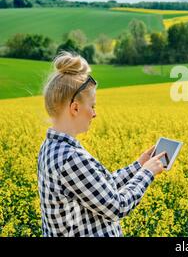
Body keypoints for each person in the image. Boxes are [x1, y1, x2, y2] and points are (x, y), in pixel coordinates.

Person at [37, 51, 166, 237]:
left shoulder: (51, 147)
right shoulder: (70, 158)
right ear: (75, 108)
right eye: (93, 106)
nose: (95, 114)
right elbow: (117, 206)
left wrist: (138, 166)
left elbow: (99, 189)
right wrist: (148, 172)